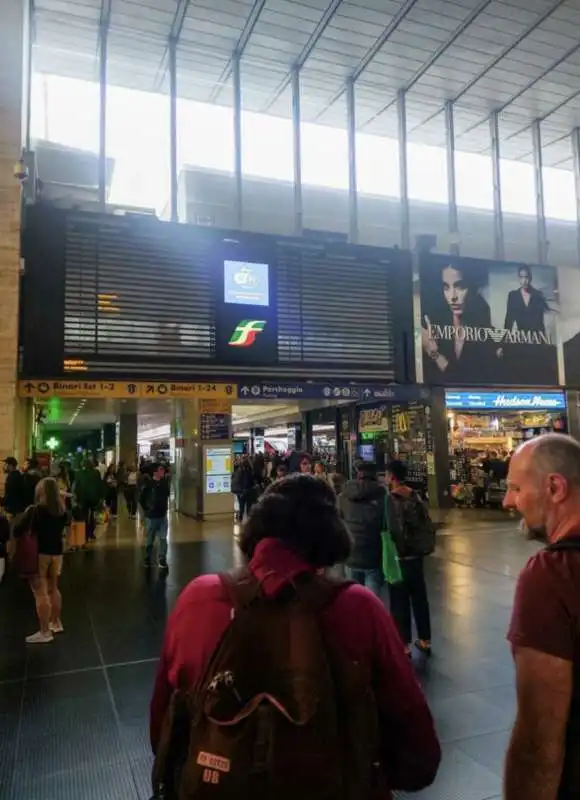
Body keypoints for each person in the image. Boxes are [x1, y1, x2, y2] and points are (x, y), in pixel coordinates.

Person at [150, 474, 441, 798]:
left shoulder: (198, 600)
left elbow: (162, 728)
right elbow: (419, 756)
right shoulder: (359, 609)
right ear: (329, 538)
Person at [503, 434, 580, 800]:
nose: (508, 501)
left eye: (516, 488)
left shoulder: (552, 575)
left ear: (555, 487)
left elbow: (540, 738)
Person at [385, 460, 434, 658]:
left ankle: (404, 645)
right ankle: (425, 640)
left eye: (387, 475)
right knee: (420, 599)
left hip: (401, 557)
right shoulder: (416, 496)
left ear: (392, 477)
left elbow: (394, 528)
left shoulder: (392, 498)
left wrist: (398, 551)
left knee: (399, 602)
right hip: (417, 556)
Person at [421, 261, 497, 383]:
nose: (453, 296)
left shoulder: (486, 332)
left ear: (472, 288)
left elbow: (467, 382)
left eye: (459, 286)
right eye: (446, 287)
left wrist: (435, 354)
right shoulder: (432, 326)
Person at [14, 477, 68, 644]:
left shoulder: (35, 510)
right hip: (57, 553)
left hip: (40, 553)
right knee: (54, 588)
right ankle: (56, 622)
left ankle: (45, 632)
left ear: (40, 491)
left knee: (40, 592)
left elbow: (17, 530)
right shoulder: (62, 510)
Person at [338, 461, 386, 597]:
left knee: (353, 599)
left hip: (351, 553)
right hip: (373, 553)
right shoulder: (382, 494)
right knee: (372, 601)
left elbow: (338, 521)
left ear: (358, 473)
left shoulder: (344, 494)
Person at [141, 463, 170, 569]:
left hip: (162, 515)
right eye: (161, 470)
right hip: (152, 516)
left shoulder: (164, 483)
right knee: (150, 537)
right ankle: (148, 557)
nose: (163, 472)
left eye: (163, 470)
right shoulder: (149, 485)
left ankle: (162, 559)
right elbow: (142, 499)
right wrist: (147, 510)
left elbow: (166, 495)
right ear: (155, 472)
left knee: (163, 537)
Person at [73, 459, 104, 543]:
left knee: (84, 516)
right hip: (94, 498)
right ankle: (91, 532)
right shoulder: (96, 473)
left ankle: (85, 535)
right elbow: (99, 484)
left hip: (83, 498)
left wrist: (76, 497)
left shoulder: (78, 473)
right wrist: (101, 497)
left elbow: (77, 486)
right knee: (93, 516)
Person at [231, 455, 256, 521]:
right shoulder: (249, 471)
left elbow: (234, 479)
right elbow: (250, 481)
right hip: (248, 491)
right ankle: (248, 520)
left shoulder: (237, 471)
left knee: (241, 505)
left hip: (240, 491)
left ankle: (240, 519)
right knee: (248, 506)